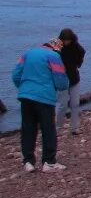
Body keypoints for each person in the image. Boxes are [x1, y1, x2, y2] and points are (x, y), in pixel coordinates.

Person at [13, 38, 70, 172]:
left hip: (25, 96)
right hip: (44, 97)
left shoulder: (28, 54)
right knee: (48, 129)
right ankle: (48, 162)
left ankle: (28, 161)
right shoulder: (54, 56)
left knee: (28, 128)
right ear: (57, 48)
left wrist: (24, 88)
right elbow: (61, 82)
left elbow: (16, 75)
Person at [56, 28, 85, 135]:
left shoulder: (76, 47)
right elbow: (48, 53)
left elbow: (82, 53)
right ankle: (58, 127)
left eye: (68, 40)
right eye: (64, 40)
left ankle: (74, 128)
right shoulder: (57, 47)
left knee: (75, 104)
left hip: (74, 79)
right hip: (61, 80)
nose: (66, 42)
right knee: (62, 105)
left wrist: (78, 63)